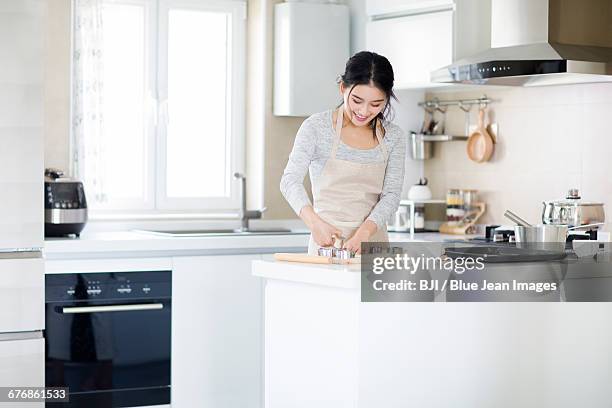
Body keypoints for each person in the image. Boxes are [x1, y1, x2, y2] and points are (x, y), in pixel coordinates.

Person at [280, 51, 406, 255]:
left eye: (376, 104)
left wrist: (364, 233)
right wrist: (314, 223)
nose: (364, 111)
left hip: (373, 245)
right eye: (357, 100)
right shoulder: (316, 127)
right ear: (343, 88)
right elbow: (289, 181)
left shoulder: (394, 136)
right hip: (327, 246)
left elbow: (391, 195)